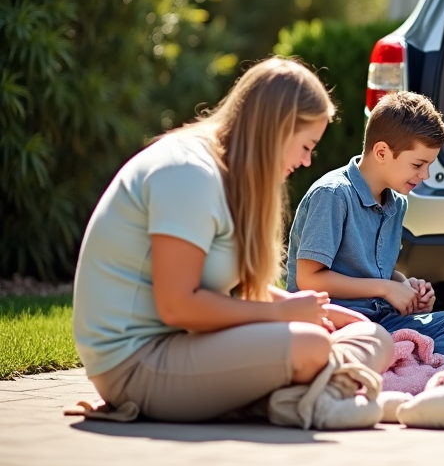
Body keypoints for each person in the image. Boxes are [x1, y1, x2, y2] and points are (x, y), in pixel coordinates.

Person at [73, 58, 394, 423]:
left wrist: (311, 310)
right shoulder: (188, 172)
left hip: (187, 346)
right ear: (277, 129)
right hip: (137, 363)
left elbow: (237, 292)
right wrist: (281, 314)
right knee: (313, 346)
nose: (307, 161)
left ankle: (306, 396)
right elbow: (178, 307)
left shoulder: (227, 177)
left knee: (374, 336)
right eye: (306, 146)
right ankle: (315, 396)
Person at [288, 91, 444, 360]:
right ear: (382, 152)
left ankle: (394, 362)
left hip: (381, 323)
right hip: (336, 325)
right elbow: (309, 279)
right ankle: (398, 364)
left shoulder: (396, 203)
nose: (425, 175)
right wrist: (385, 289)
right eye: (418, 164)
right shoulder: (333, 194)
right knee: (360, 342)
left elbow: (376, 270)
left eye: (428, 165)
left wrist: (405, 287)